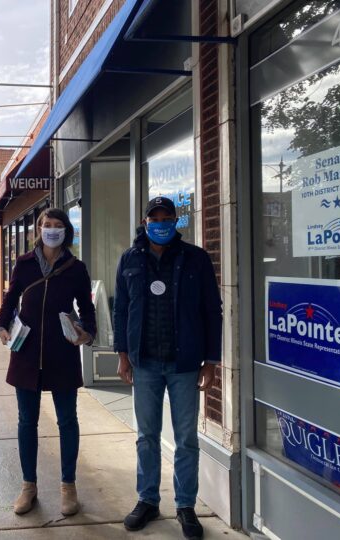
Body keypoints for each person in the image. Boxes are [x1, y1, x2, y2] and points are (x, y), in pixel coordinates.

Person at [113, 196, 222, 540]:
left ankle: (186, 506)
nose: (160, 222)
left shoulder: (196, 258)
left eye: (166, 217)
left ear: (176, 221)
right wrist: (123, 354)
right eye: (154, 217)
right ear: (144, 222)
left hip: (185, 363)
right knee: (146, 437)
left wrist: (212, 360)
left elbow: (211, 310)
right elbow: (121, 309)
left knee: (186, 438)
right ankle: (147, 499)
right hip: (144, 362)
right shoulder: (130, 259)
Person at [0, 208, 96, 517]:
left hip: (62, 353)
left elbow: (86, 308)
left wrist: (87, 333)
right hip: (25, 352)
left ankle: (68, 486)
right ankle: (28, 486)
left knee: (67, 420)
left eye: (57, 225)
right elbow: (11, 300)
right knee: (27, 421)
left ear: (66, 230)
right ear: (39, 229)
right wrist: (1, 326)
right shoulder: (24, 265)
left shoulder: (75, 268)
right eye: (46, 225)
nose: (51, 229)